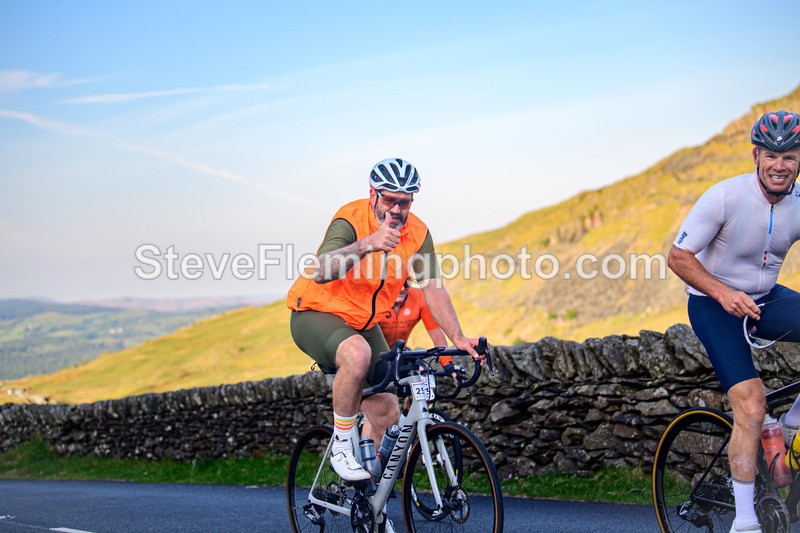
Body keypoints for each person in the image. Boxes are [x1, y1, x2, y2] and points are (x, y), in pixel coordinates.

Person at [287, 157, 485, 484]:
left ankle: (371, 499)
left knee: (387, 411)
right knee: (357, 354)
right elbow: (321, 271)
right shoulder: (350, 218)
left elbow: (433, 287)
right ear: (372, 194)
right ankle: (341, 447)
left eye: (403, 202)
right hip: (316, 313)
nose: (395, 209)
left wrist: (458, 339)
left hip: (364, 325)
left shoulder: (417, 233)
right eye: (389, 199)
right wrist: (368, 244)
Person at [668, 110, 800, 533]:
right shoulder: (724, 197)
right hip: (713, 304)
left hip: (765, 298)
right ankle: (744, 522)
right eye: (772, 156)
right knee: (751, 405)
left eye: (791, 156)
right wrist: (723, 293)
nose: (780, 165)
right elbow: (678, 257)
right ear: (756, 156)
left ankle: (793, 424)